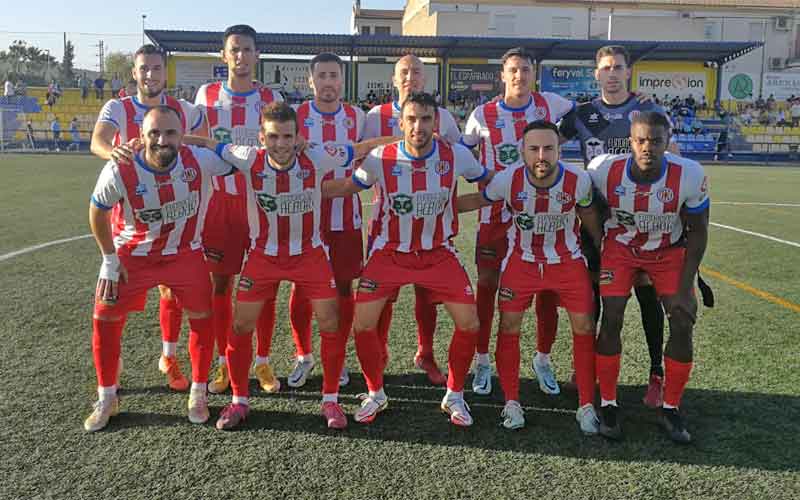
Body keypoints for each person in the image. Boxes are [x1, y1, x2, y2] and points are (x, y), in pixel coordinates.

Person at [186, 102, 392, 430]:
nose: (280, 144)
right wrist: (168, 139)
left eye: (287, 136)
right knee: (240, 326)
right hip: (263, 256)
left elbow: (360, 148)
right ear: (261, 138)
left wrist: (405, 140)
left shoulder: (317, 156)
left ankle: (330, 401)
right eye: (273, 137)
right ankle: (239, 400)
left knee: (330, 321)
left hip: (309, 255)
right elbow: (211, 144)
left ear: (298, 137)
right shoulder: (248, 156)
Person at [322, 92, 490, 427]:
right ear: (401, 123)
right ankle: (375, 392)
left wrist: (465, 205)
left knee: (470, 322)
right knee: (363, 324)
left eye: (426, 118)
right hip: (390, 253)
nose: (419, 126)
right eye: (412, 119)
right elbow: (347, 188)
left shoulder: (456, 155)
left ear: (436, 122)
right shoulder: (380, 158)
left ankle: (455, 394)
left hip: (439, 251)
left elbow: (489, 184)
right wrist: (304, 184)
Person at [83, 105, 232, 432]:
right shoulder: (120, 168)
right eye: (154, 133)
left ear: (182, 136)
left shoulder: (198, 159)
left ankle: (198, 390)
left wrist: (194, 140)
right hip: (133, 255)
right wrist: (109, 259)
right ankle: (107, 396)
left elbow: (236, 158)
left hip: (185, 253)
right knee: (104, 317)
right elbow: (96, 212)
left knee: (202, 319)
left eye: (171, 133)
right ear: (140, 137)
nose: (162, 140)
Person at [456, 120, 603, 433]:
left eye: (548, 148)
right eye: (533, 149)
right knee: (509, 325)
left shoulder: (578, 180)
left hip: (567, 262)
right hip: (521, 262)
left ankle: (587, 406)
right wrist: (439, 206)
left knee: (585, 325)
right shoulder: (508, 180)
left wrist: (603, 250)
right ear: (522, 152)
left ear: (559, 150)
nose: (541, 155)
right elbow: (478, 201)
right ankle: (512, 402)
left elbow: (589, 215)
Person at [556, 45, 673, 406]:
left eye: (618, 67)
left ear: (628, 72)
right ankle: (590, 366)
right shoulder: (581, 114)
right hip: (596, 221)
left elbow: (674, 155)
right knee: (596, 297)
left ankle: (657, 373)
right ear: (596, 74)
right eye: (605, 67)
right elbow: (546, 142)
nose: (611, 73)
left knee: (647, 296)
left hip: (643, 220)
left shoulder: (650, 110)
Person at [90, 44, 207, 391]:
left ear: (164, 72)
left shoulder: (184, 110)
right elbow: (97, 141)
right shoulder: (118, 107)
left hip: (175, 212)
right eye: (144, 69)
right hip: (132, 218)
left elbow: (201, 140)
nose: (151, 75)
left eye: (157, 69)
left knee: (173, 291)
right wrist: (118, 156)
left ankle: (169, 356)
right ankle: (110, 385)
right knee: (114, 305)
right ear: (134, 73)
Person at [588, 111, 710, 443]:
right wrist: (598, 250)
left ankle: (670, 407)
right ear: (631, 142)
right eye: (641, 141)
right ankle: (609, 403)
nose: (648, 148)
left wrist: (686, 288)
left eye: (656, 141)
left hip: (667, 252)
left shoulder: (689, 173)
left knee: (683, 319)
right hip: (620, 248)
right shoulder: (603, 170)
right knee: (611, 316)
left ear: (668, 142)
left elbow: (698, 232)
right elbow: (584, 206)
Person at [460, 47, 574, 396]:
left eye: (525, 69)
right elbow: (465, 152)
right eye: (513, 70)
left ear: (533, 73)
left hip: (542, 214)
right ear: (502, 75)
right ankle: (482, 360)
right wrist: (483, 175)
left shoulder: (550, 104)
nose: (519, 76)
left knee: (547, 289)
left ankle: (542, 358)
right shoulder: (482, 113)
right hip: (495, 215)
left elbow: (585, 114)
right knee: (487, 288)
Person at [193, 25, 284, 395]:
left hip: (261, 205)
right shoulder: (207, 95)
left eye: (248, 49)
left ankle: (262, 361)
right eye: (235, 49)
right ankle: (222, 362)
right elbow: (198, 144)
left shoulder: (270, 97)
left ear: (257, 54)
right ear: (224, 55)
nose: (241, 56)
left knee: (265, 284)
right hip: (219, 203)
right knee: (220, 283)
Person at [362, 54, 463, 386]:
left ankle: (425, 353)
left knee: (427, 293)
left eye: (416, 72)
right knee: (383, 294)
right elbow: (362, 152)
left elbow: (452, 155)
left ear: (424, 78)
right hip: (387, 219)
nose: (410, 77)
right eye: (404, 72)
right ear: (394, 79)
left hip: (430, 222)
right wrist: (397, 143)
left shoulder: (443, 116)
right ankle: (380, 351)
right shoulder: (376, 115)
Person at [276, 52, 365, 390]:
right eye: (322, 76)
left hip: (346, 216)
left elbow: (371, 152)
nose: (328, 82)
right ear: (310, 81)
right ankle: (304, 355)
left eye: (334, 75)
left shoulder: (358, 117)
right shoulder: (296, 116)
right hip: (304, 216)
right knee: (302, 286)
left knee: (343, 287)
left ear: (342, 80)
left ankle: (337, 356)